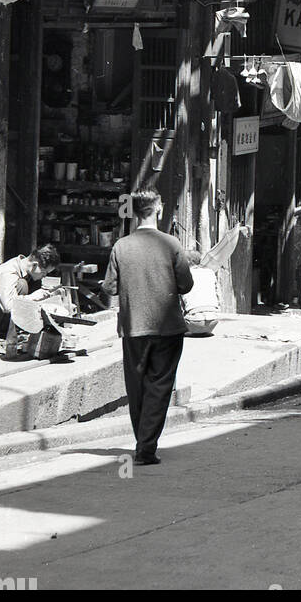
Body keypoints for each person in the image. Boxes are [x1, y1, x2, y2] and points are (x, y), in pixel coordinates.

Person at [102, 189, 193, 466]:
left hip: (134, 328)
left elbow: (109, 287)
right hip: (168, 328)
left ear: (134, 212)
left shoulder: (121, 246)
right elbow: (186, 284)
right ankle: (146, 447)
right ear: (159, 210)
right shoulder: (172, 244)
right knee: (160, 385)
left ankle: (143, 443)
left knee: (137, 386)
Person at [0, 244, 60, 338]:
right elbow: (7, 306)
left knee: (28, 287)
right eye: (44, 272)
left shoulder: (25, 270)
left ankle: (12, 329)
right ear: (35, 265)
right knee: (22, 285)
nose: (44, 276)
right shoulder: (9, 271)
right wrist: (33, 297)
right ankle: (2, 331)